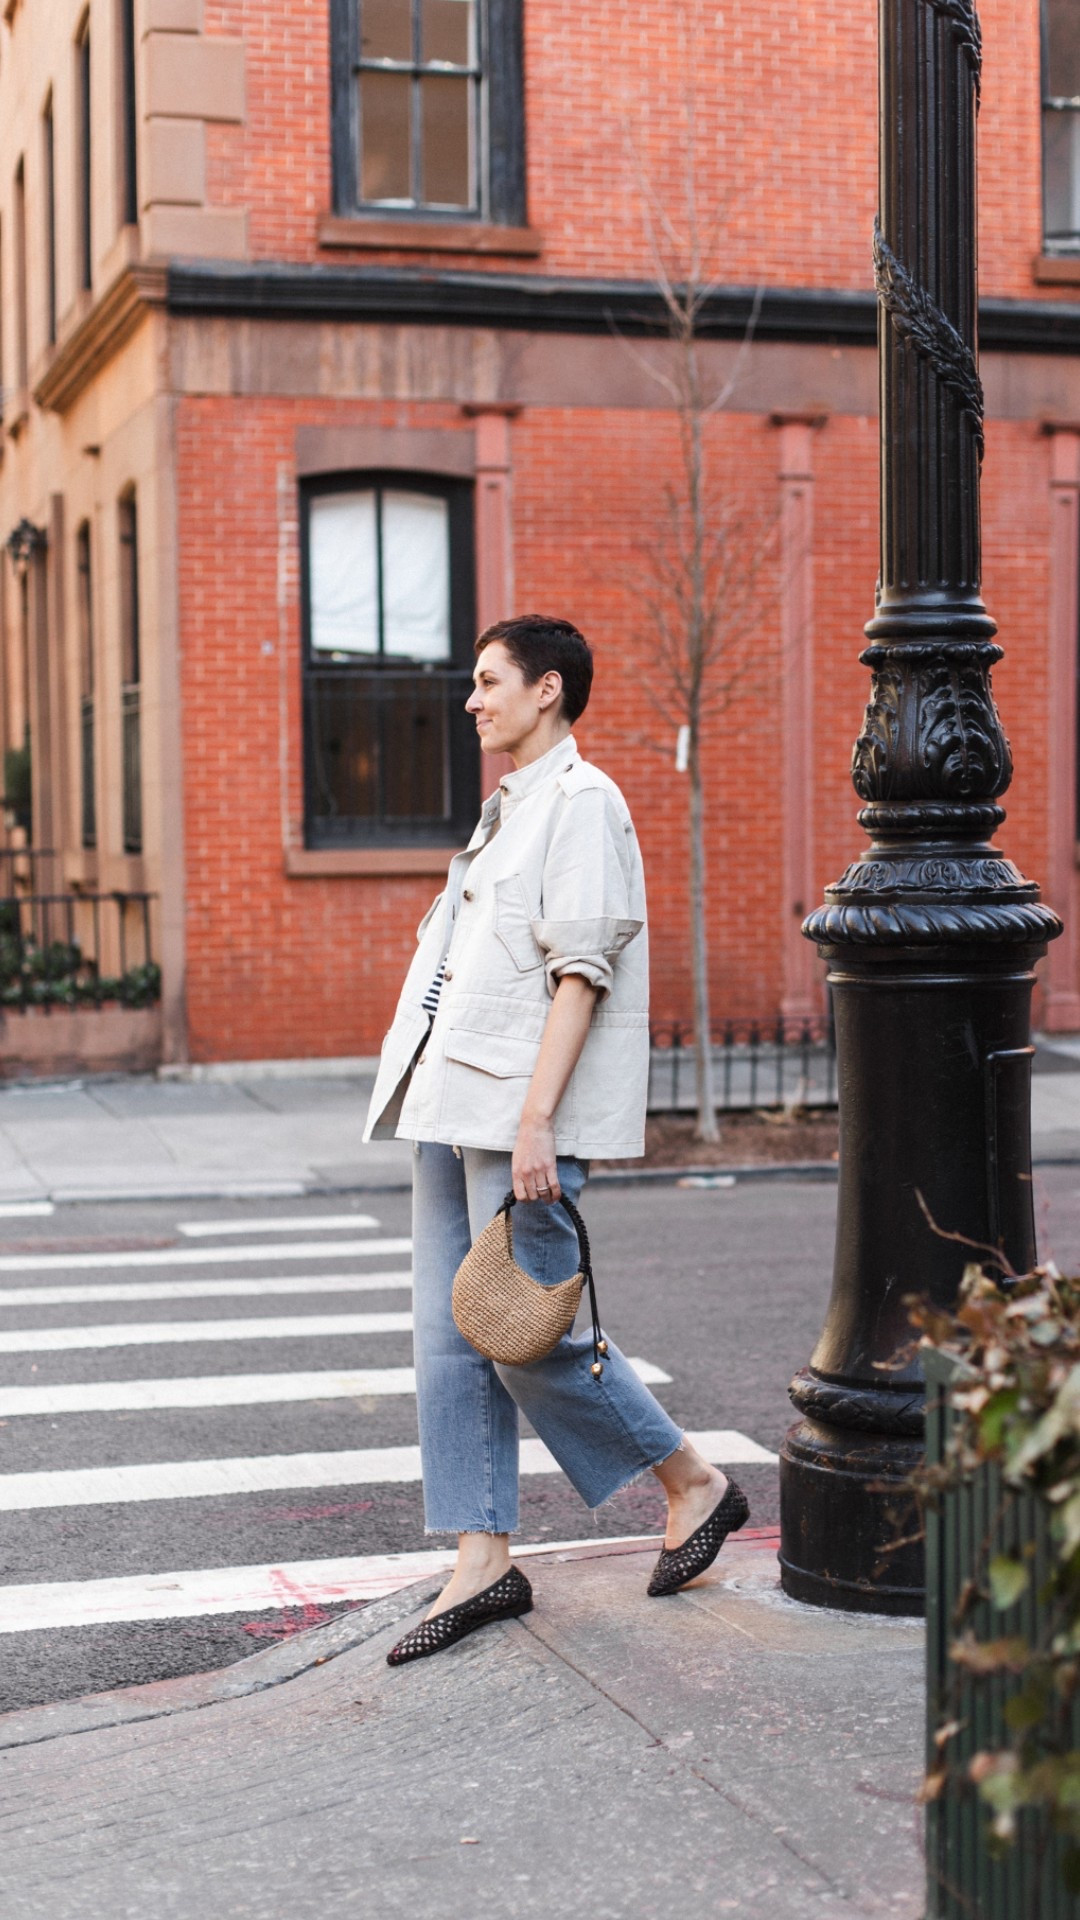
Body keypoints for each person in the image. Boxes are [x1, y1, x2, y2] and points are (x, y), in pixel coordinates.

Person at [363, 614, 748, 1666]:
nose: (473, 700)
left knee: (527, 1330)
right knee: (454, 1333)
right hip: (450, 1102)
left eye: (490, 682)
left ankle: (691, 1481)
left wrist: (539, 1121)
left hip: (511, 1114)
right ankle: (482, 1558)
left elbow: (583, 972)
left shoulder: (584, 803)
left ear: (549, 691)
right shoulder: (509, 807)